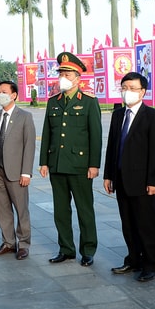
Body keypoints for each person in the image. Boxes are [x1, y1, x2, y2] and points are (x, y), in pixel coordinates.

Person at [39, 52, 102, 267]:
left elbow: (95, 136)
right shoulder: (53, 102)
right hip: (57, 164)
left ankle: (88, 249)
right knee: (61, 211)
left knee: (85, 210)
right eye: (61, 73)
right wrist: (44, 161)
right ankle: (66, 249)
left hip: (80, 166)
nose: (63, 77)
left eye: (67, 73)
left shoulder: (88, 102)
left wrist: (94, 164)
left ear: (78, 78)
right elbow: (47, 133)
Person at [103, 72, 155, 282]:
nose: (127, 92)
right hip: (121, 179)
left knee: (145, 225)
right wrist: (108, 175)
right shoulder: (118, 114)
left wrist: (153, 181)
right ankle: (133, 259)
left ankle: (150, 265)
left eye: (132, 88)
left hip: (143, 182)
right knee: (127, 224)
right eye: (124, 87)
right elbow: (112, 146)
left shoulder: (152, 116)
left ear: (143, 92)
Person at [0, 80, 35, 260]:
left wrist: (26, 172)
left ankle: (23, 244)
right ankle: (8, 242)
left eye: (4, 92)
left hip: (16, 172)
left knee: (21, 209)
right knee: (2, 208)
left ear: (14, 95)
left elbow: (29, 146)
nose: (0, 95)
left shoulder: (25, 116)